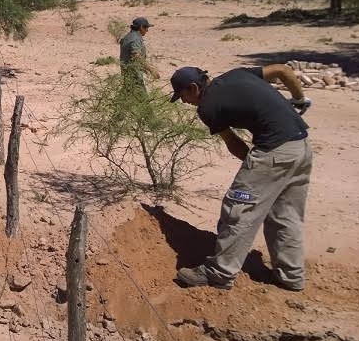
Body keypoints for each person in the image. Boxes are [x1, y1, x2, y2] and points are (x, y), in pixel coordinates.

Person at [170, 64, 313, 291]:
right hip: (302, 147)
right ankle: (291, 276)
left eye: (183, 96)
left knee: (238, 209)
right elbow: (283, 70)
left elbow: (234, 144)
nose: (185, 102)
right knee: (285, 215)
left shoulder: (207, 108)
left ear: (193, 88)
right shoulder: (238, 73)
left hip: (273, 150)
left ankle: (219, 273)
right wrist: (299, 99)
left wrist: (256, 168)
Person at [119, 17, 159, 84]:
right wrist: (151, 69)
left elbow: (128, 57)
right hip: (134, 76)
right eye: (146, 28)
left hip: (126, 74)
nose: (147, 30)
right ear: (141, 27)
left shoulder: (127, 37)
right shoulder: (136, 39)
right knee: (140, 93)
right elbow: (136, 56)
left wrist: (143, 69)